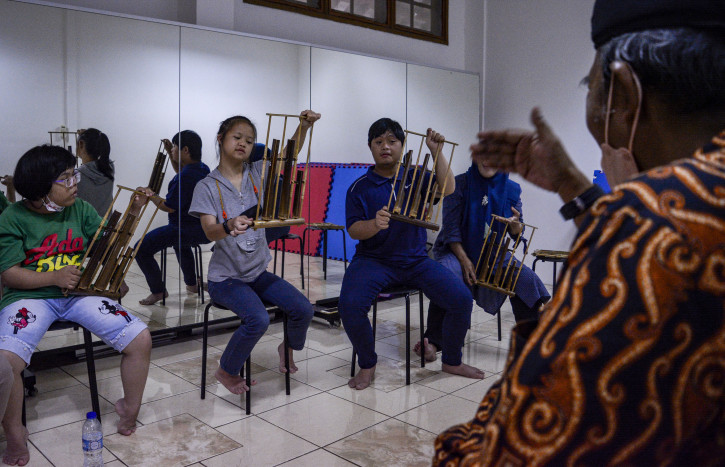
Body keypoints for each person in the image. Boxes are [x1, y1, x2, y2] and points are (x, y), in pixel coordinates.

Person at [434, 0, 725, 464]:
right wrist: (581, 193)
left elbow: (515, 447)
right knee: (450, 280)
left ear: (623, 95)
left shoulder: (648, 231)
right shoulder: (674, 212)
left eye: (592, 87)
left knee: (526, 282)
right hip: (460, 255)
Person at [0, 145, 151, 466]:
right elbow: (10, 274)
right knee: (7, 362)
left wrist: (134, 211)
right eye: (66, 178)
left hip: (79, 293)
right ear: (41, 186)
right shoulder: (13, 216)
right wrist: (53, 276)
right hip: (30, 298)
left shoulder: (80, 209)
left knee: (140, 338)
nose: (74, 183)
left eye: (74, 175)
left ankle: (130, 407)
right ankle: (14, 430)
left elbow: (106, 244)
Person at [339, 118, 484, 391]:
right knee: (349, 305)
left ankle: (451, 360)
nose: (385, 147)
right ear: (370, 147)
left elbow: (448, 188)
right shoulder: (359, 187)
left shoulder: (416, 176)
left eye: (392, 141)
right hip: (373, 261)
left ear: (402, 145)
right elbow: (354, 229)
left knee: (462, 299)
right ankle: (368, 363)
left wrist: (436, 151)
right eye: (378, 142)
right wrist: (374, 225)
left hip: (416, 261)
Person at [189, 111, 319, 394]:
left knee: (303, 310)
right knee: (258, 318)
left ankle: (288, 346)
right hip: (226, 280)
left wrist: (303, 126)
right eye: (237, 137)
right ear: (221, 139)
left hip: (257, 273)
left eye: (249, 140)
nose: (243, 144)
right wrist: (228, 224)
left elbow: (287, 157)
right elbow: (209, 231)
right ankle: (226, 369)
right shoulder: (206, 186)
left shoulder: (257, 173)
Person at [415, 158, 550, 362]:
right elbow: (451, 229)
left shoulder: (512, 190)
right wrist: (464, 260)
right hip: (455, 249)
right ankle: (433, 341)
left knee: (525, 279)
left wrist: (515, 226)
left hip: (493, 253)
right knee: (448, 276)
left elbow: (516, 230)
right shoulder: (459, 184)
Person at [136, 130, 211, 305]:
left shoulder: (185, 177)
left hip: (184, 229)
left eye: (175, 147)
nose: (172, 150)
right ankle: (192, 284)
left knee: (140, 249)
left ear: (185, 150)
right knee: (179, 245)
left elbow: (168, 207)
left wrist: (150, 194)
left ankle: (158, 291)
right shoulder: (202, 168)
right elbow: (182, 171)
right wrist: (171, 155)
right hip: (203, 228)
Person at [76, 128, 114, 216]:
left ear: (81, 144)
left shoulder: (75, 176)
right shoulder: (110, 168)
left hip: (84, 228)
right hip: (105, 226)